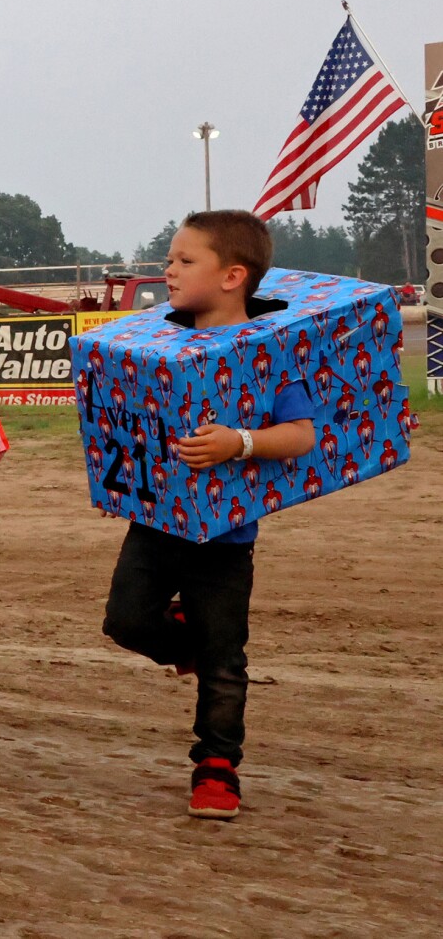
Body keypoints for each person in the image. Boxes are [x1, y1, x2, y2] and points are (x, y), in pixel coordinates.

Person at [100, 211, 315, 820]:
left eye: (184, 261)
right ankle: (184, 639)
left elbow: (300, 435)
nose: (168, 270)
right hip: (155, 523)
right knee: (125, 622)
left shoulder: (270, 349)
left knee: (225, 661)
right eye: (170, 259)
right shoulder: (150, 340)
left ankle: (217, 769)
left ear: (233, 276)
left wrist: (239, 442)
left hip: (227, 534)